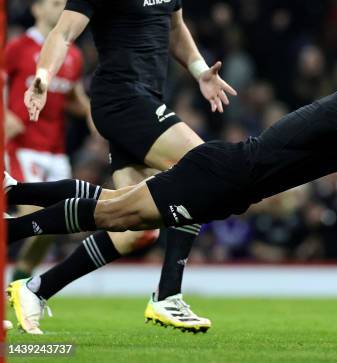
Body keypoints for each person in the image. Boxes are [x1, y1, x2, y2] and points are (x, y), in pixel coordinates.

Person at [6, 56, 337, 333]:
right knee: (115, 214)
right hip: (220, 175)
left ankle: (23, 228)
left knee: (114, 212)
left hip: (228, 187)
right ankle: (17, 242)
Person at [9, 0, 237, 334]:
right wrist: (43, 75)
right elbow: (63, 32)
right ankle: (168, 295)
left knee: (136, 227)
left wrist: (200, 70)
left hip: (148, 99)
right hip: (120, 99)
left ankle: (34, 282)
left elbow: (175, 27)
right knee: (203, 168)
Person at [4, 0, 93, 282]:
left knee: (58, 222)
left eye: (62, 3)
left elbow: (72, 96)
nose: (59, 8)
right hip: (23, 147)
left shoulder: (72, 55)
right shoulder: (18, 47)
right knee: (35, 216)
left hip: (55, 150)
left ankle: (18, 283)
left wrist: (94, 113)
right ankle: (19, 285)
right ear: (37, 10)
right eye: (53, 3)